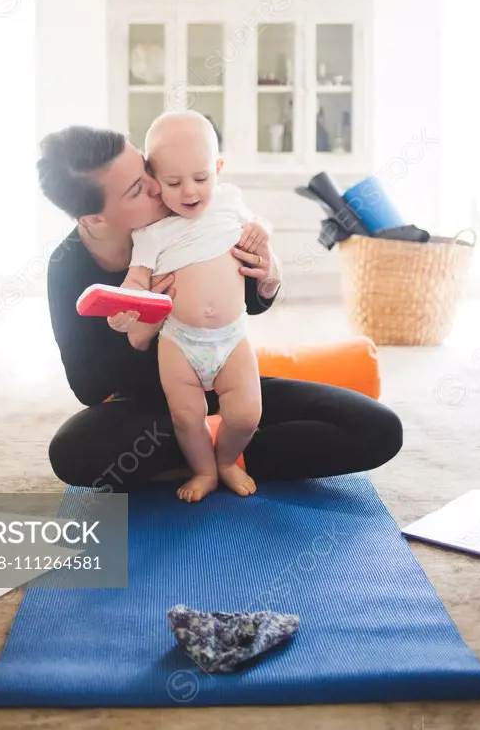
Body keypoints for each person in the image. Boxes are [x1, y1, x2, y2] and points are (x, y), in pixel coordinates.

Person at [38, 124, 403, 493]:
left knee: (378, 429)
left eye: (147, 169)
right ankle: (206, 449)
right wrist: (141, 336)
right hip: (155, 405)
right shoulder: (68, 267)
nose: (158, 186)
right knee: (72, 452)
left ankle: (225, 454)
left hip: (227, 374)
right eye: (137, 189)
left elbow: (247, 300)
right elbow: (87, 386)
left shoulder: (188, 208)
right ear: (94, 219)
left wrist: (269, 276)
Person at [113, 110, 268, 503]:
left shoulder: (230, 201)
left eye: (201, 178)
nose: (189, 192)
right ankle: (204, 470)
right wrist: (126, 305)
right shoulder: (151, 231)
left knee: (247, 414)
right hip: (178, 342)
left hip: (232, 337)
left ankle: (229, 459)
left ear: (217, 168)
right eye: (173, 182)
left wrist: (262, 233)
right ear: (153, 179)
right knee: (186, 416)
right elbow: (137, 276)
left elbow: (257, 230)